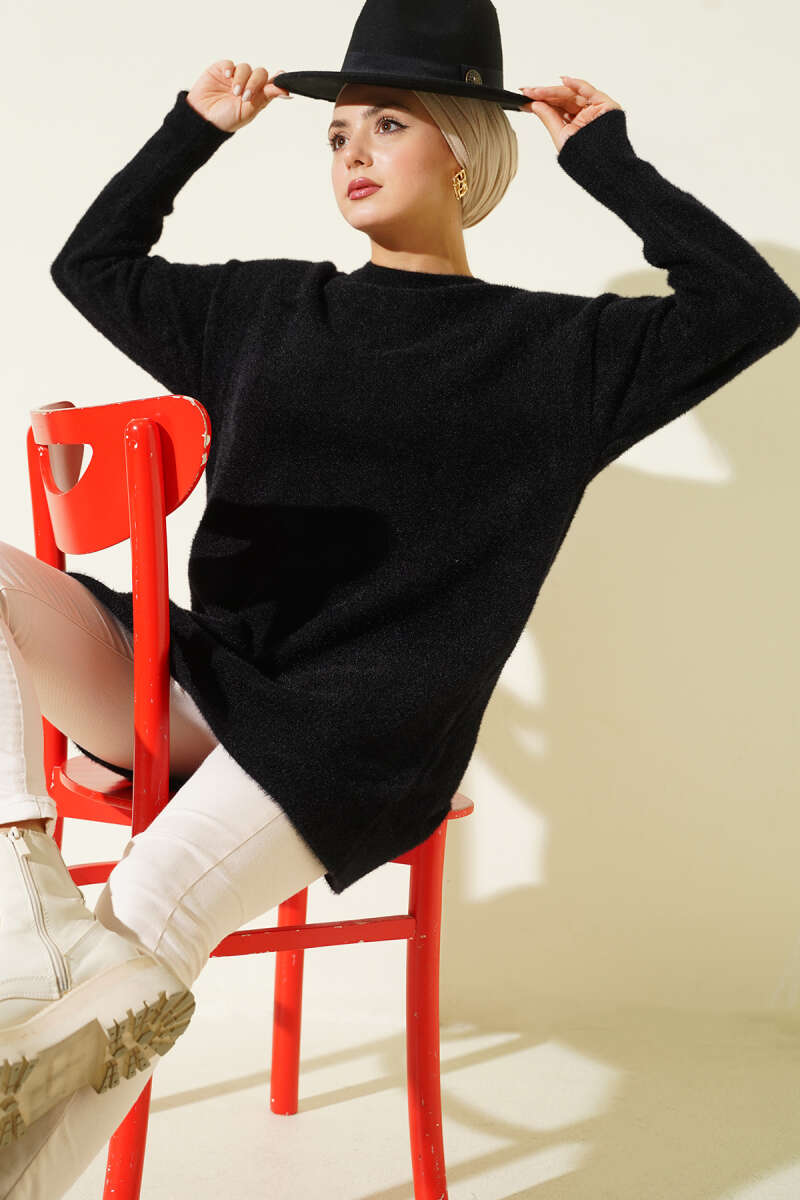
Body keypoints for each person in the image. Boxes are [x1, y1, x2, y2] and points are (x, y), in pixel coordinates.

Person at [3, 0, 800, 1192]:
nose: (352, 152)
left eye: (387, 124)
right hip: (203, 678)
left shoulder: (559, 359)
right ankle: (24, 906)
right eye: (335, 133)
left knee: (141, 921)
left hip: (354, 739)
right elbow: (91, 267)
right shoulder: (262, 310)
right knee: (85, 949)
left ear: (464, 153)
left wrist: (605, 160)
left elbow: (750, 305)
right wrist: (192, 130)